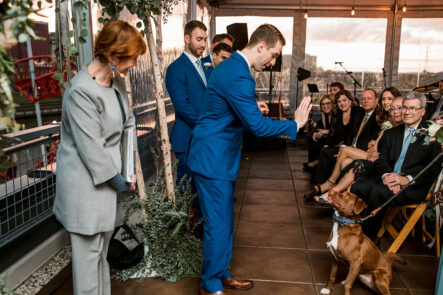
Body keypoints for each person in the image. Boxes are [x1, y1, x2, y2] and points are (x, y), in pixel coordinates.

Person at [187, 24, 312, 295]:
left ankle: (220, 274)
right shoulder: (240, 75)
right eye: (275, 54)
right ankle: (210, 285)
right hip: (213, 160)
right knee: (217, 226)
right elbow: (257, 128)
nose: (274, 62)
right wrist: (295, 125)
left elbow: (222, 108)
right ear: (261, 47)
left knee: (224, 223)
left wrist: (251, 108)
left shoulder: (231, 66)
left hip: (215, 156)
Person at [53, 20, 144, 294]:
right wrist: (121, 180)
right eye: (132, 58)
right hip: (85, 190)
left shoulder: (116, 83)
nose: (135, 64)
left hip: (106, 186)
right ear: (113, 56)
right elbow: (91, 148)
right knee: (88, 265)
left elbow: (128, 123)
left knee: (101, 257)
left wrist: (129, 170)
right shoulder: (80, 91)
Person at [351, 92, 442, 241]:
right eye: (405, 107)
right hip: (388, 180)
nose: (407, 112)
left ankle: (365, 241)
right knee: (357, 188)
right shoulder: (391, 133)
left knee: (378, 191)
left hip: (414, 186)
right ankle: (354, 229)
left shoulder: (434, 134)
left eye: (413, 108)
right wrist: (387, 176)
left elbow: (433, 166)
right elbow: (382, 160)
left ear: (423, 111)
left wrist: (406, 179)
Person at [313, 87, 403, 198]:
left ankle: (330, 185)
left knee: (344, 151)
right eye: (384, 99)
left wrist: (374, 144)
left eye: (390, 99)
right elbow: (347, 134)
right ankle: (341, 198)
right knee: (344, 161)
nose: (386, 102)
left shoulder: (390, 117)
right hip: (371, 151)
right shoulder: (381, 115)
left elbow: (384, 141)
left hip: (377, 155)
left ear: (376, 100)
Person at [306, 88, 380, 198]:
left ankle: (329, 185)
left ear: (376, 100)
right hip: (351, 146)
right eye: (363, 99)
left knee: (339, 153)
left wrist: (345, 148)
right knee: (327, 151)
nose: (366, 101)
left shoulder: (373, 115)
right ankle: (322, 186)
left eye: (369, 98)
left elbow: (372, 140)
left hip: (363, 151)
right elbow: (345, 135)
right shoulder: (360, 113)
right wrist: (336, 145)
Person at [165, 20, 209, 186]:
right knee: (185, 189)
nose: (203, 44)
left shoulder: (205, 67)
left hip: (203, 138)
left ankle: (200, 213)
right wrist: (208, 125)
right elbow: (183, 106)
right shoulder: (176, 68)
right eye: (199, 39)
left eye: (205, 40)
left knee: (201, 190)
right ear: (186, 38)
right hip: (188, 139)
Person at [304, 94, 334, 172]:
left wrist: (325, 131)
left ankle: (318, 162)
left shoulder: (336, 115)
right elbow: (317, 127)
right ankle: (314, 162)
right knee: (311, 137)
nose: (325, 106)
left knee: (322, 140)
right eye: (323, 104)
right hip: (327, 137)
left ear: (333, 104)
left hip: (335, 139)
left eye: (328, 103)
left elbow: (337, 132)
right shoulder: (325, 116)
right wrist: (314, 133)